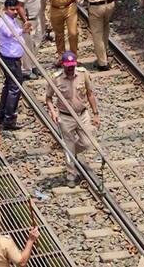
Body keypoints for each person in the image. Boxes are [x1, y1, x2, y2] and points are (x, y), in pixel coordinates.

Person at [45, 51, 100, 188]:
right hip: (66, 117)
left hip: (82, 114)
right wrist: (52, 112)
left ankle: (72, 154)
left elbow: (90, 93)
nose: (70, 68)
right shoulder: (56, 78)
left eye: (72, 65)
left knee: (87, 142)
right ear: (63, 65)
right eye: (68, 66)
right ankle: (71, 174)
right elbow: (48, 98)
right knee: (68, 145)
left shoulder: (83, 73)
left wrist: (96, 113)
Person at [0, 0, 31, 130]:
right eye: (12, 9)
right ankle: (9, 118)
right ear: (5, 9)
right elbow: (10, 33)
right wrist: (23, 29)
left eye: (16, 9)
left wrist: (24, 29)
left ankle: (1, 114)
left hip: (13, 58)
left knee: (9, 85)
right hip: (10, 58)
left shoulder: (11, 20)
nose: (15, 12)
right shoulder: (3, 22)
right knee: (15, 87)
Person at [17, 0, 44, 79]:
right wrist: (25, 21)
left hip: (35, 17)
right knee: (27, 45)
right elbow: (19, 5)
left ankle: (32, 65)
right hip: (28, 20)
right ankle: (26, 70)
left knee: (35, 43)